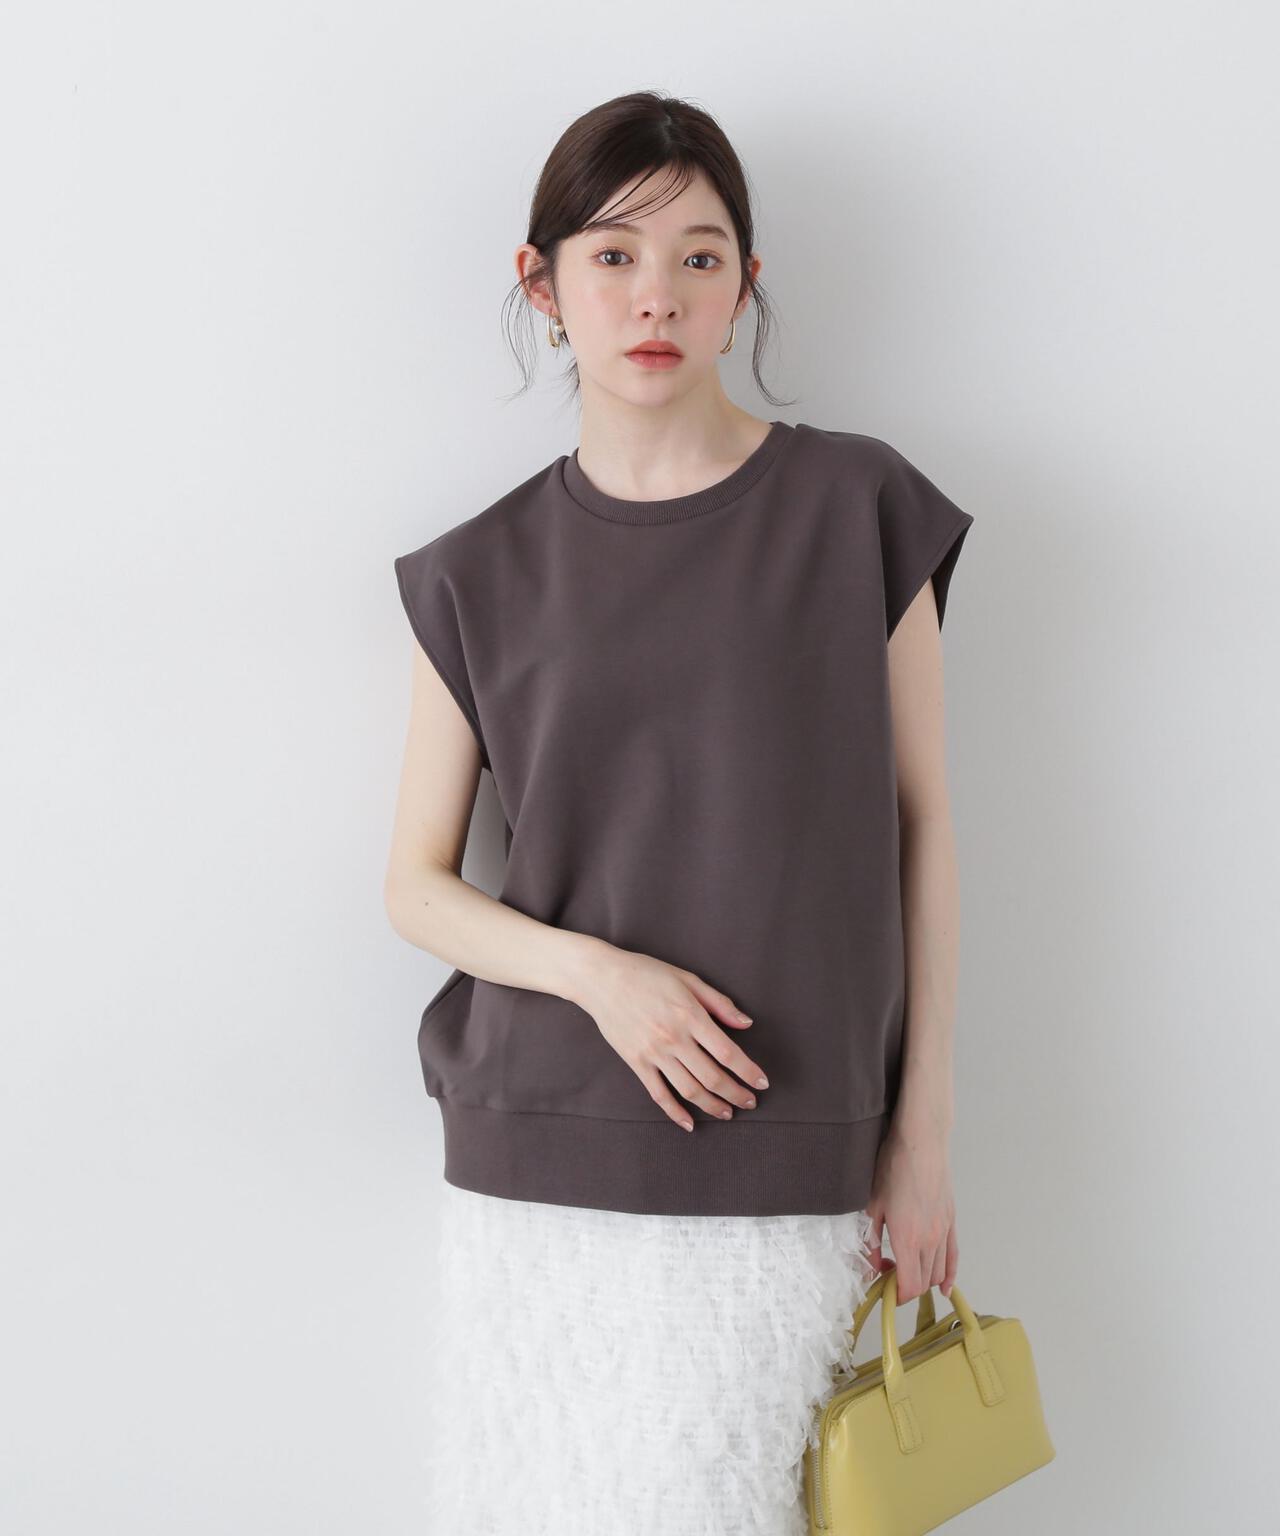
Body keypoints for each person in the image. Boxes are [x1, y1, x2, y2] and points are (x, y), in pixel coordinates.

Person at [384, 89, 972, 1536]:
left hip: (787, 1135)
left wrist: (923, 1136)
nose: (657, 297)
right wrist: (605, 980)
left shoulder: (856, 508)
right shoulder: (477, 569)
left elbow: (924, 827)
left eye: (699, 258)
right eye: (614, 256)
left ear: (744, 285)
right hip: (539, 1145)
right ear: (542, 286)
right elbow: (415, 884)